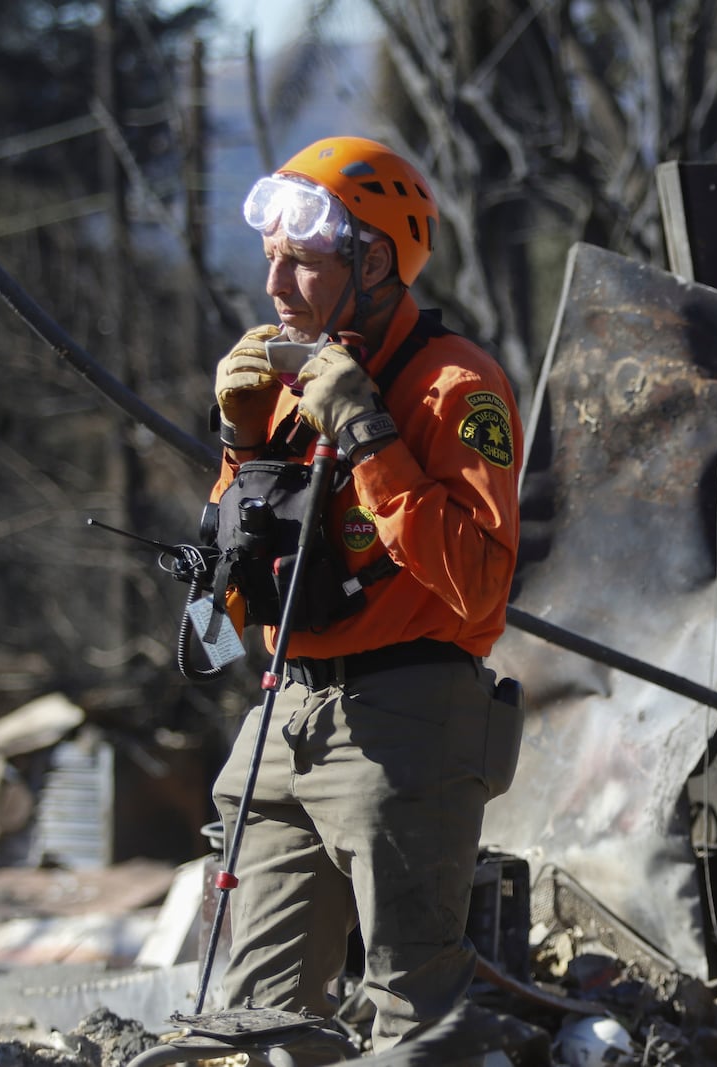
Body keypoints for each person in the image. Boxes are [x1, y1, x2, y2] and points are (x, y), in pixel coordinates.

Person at [208, 135, 524, 1048]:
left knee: (415, 1020)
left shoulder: (458, 388)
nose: (275, 289)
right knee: (256, 1025)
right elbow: (229, 603)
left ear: (374, 260)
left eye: (301, 265)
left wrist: (364, 429)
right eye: (271, 261)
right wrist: (236, 448)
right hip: (282, 719)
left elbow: (479, 588)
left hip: (405, 718)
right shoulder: (278, 382)